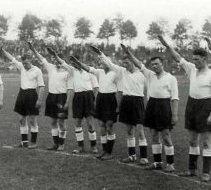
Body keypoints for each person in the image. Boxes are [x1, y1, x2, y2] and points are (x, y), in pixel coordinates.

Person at [159, 36, 211, 181]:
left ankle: (206, 172)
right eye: (193, 59)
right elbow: (178, 57)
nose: (194, 62)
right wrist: (167, 46)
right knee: (193, 141)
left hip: (206, 106)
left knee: (207, 142)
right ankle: (192, 169)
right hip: (192, 105)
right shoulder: (191, 69)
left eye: (197, 60)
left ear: (205, 59)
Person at [121, 44, 178, 173]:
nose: (154, 66)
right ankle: (157, 162)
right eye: (152, 65)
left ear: (162, 64)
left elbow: (175, 98)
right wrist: (129, 54)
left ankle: (170, 163)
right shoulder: (150, 75)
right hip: (152, 105)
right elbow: (139, 64)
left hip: (164, 106)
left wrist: (174, 115)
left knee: (166, 135)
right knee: (154, 135)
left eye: (157, 64)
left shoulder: (171, 78)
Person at [89, 46, 149, 165]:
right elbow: (109, 63)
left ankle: (144, 157)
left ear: (133, 62)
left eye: (127, 62)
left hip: (138, 102)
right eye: (124, 63)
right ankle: (132, 155)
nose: (125, 65)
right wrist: (100, 53)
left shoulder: (142, 73)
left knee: (140, 130)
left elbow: (149, 88)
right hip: (127, 101)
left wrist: (129, 52)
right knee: (129, 130)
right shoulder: (122, 71)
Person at [49, 50, 99, 154]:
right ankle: (80, 147)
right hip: (77, 97)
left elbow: (96, 88)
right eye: (72, 63)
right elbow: (63, 63)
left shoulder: (90, 71)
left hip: (88, 96)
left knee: (90, 123)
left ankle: (94, 147)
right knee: (78, 123)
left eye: (75, 62)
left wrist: (94, 100)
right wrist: (55, 55)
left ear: (80, 61)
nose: (73, 65)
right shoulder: (72, 71)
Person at [69, 53, 118, 160]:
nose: (102, 63)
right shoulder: (99, 72)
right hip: (97, 99)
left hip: (104, 99)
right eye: (102, 61)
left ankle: (104, 150)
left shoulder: (116, 72)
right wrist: (77, 61)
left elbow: (96, 88)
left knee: (107, 126)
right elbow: (87, 68)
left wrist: (95, 101)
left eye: (105, 61)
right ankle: (104, 151)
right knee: (102, 125)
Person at [0, 43, 45, 149]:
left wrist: (39, 100)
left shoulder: (37, 71)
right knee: (21, 119)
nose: (25, 65)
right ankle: (24, 142)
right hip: (22, 94)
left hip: (32, 95)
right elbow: (11, 58)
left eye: (26, 63)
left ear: (30, 60)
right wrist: (2, 50)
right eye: (23, 63)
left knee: (32, 120)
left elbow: (41, 86)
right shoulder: (21, 66)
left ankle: (33, 142)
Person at [27, 43, 73, 151]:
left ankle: (62, 144)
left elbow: (70, 89)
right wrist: (34, 50)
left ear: (63, 60)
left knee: (61, 122)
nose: (57, 62)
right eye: (55, 60)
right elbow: (42, 58)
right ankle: (55, 143)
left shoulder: (68, 72)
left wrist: (67, 102)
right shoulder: (51, 68)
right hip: (51, 97)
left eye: (59, 60)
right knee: (53, 122)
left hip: (61, 98)